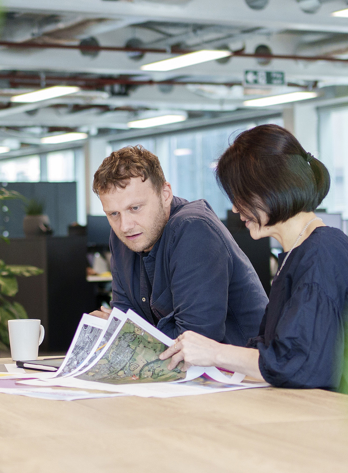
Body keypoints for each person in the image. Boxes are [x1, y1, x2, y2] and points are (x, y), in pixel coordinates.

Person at [160, 125, 348, 389]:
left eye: (241, 196)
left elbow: (298, 364)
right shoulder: (299, 252)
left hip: (339, 413)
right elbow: (276, 350)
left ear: (272, 187)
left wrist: (214, 352)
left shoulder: (321, 252)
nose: (236, 208)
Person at [92, 145, 268, 345]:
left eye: (135, 208)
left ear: (165, 194)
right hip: (182, 371)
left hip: (241, 371)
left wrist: (126, 334)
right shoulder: (123, 237)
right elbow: (122, 316)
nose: (125, 226)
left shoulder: (194, 229)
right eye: (113, 214)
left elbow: (195, 341)